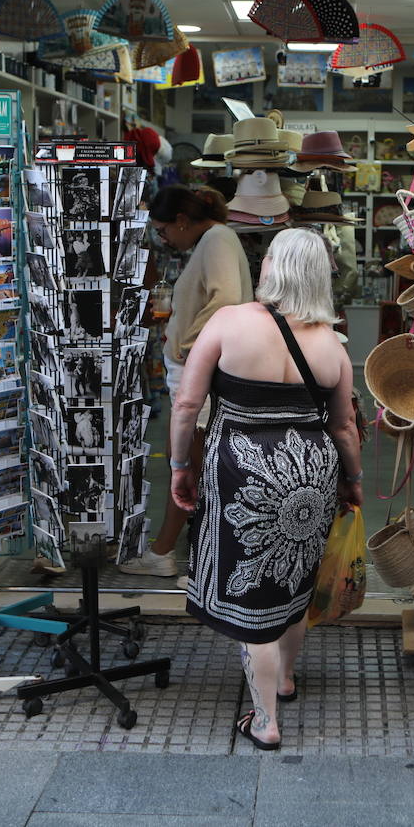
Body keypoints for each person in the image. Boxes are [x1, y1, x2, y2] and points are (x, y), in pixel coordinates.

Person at [167, 229, 363, 750]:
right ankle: (285, 678)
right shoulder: (331, 343)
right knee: (293, 580)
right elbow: (344, 427)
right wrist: (354, 481)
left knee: (254, 597)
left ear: (272, 267)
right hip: (311, 475)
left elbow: (187, 405)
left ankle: (265, 720)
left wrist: (179, 465)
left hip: (241, 470)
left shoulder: (230, 323)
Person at [118, 185, 252, 577]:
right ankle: (176, 552)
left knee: (189, 467)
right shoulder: (215, 240)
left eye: (163, 230)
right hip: (198, 370)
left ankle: (165, 553)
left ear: (181, 220)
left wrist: (188, 343)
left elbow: (224, 299)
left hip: (199, 373)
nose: (163, 239)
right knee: (189, 463)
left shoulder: (216, 240)